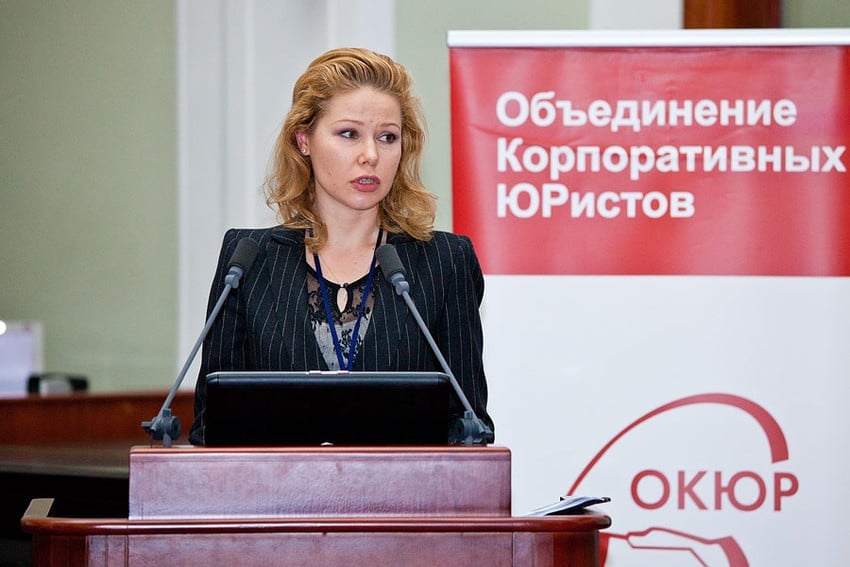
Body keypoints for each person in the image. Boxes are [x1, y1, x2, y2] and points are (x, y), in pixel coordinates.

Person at [187, 47, 492, 445]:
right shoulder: (248, 260)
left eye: (387, 137)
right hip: (278, 486)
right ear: (304, 140)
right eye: (349, 134)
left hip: (403, 486)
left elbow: (470, 427)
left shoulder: (445, 262)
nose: (371, 155)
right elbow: (210, 427)